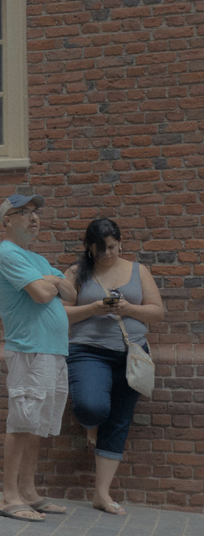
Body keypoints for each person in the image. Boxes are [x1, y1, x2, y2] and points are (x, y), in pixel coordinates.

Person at [62, 219, 164, 515]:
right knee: (91, 406)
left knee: (119, 421)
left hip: (132, 354)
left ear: (120, 242)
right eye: (99, 249)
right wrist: (95, 308)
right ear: (89, 249)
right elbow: (60, 314)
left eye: (111, 247)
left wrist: (127, 309)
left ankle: (101, 494)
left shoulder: (138, 271)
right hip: (88, 351)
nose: (107, 254)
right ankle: (91, 426)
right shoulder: (76, 273)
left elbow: (157, 312)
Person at [0, 194, 76, 522]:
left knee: (37, 424)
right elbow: (41, 294)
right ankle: (8, 496)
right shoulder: (7, 253)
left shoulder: (35, 259)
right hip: (29, 349)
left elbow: (71, 292)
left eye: (35, 212)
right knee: (23, 420)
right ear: (6, 221)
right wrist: (52, 282)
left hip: (52, 350)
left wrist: (51, 280)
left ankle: (28, 491)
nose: (33, 217)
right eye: (23, 212)